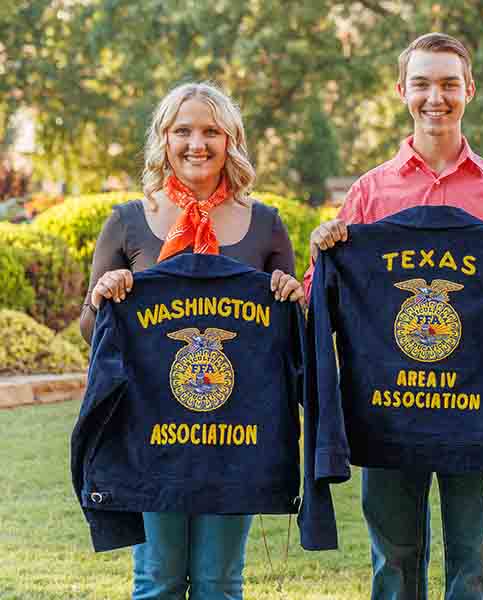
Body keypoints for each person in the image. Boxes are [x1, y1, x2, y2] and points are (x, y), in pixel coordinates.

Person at [303, 33, 483, 600]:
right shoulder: (370, 192)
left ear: (470, 90)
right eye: (421, 84)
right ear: (401, 91)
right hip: (388, 411)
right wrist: (323, 254)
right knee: (393, 566)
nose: (435, 97)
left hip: (481, 412)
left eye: (449, 84)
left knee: (479, 568)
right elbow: (319, 297)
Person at [80, 81, 303, 600]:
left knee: (219, 584)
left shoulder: (265, 225)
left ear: (231, 141)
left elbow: (287, 342)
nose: (196, 144)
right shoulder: (127, 222)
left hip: (235, 438)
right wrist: (103, 298)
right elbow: (92, 333)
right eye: (183, 131)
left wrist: (294, 299)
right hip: (150, 433)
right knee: (156, 581)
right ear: (164, 138)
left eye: (211, 132)